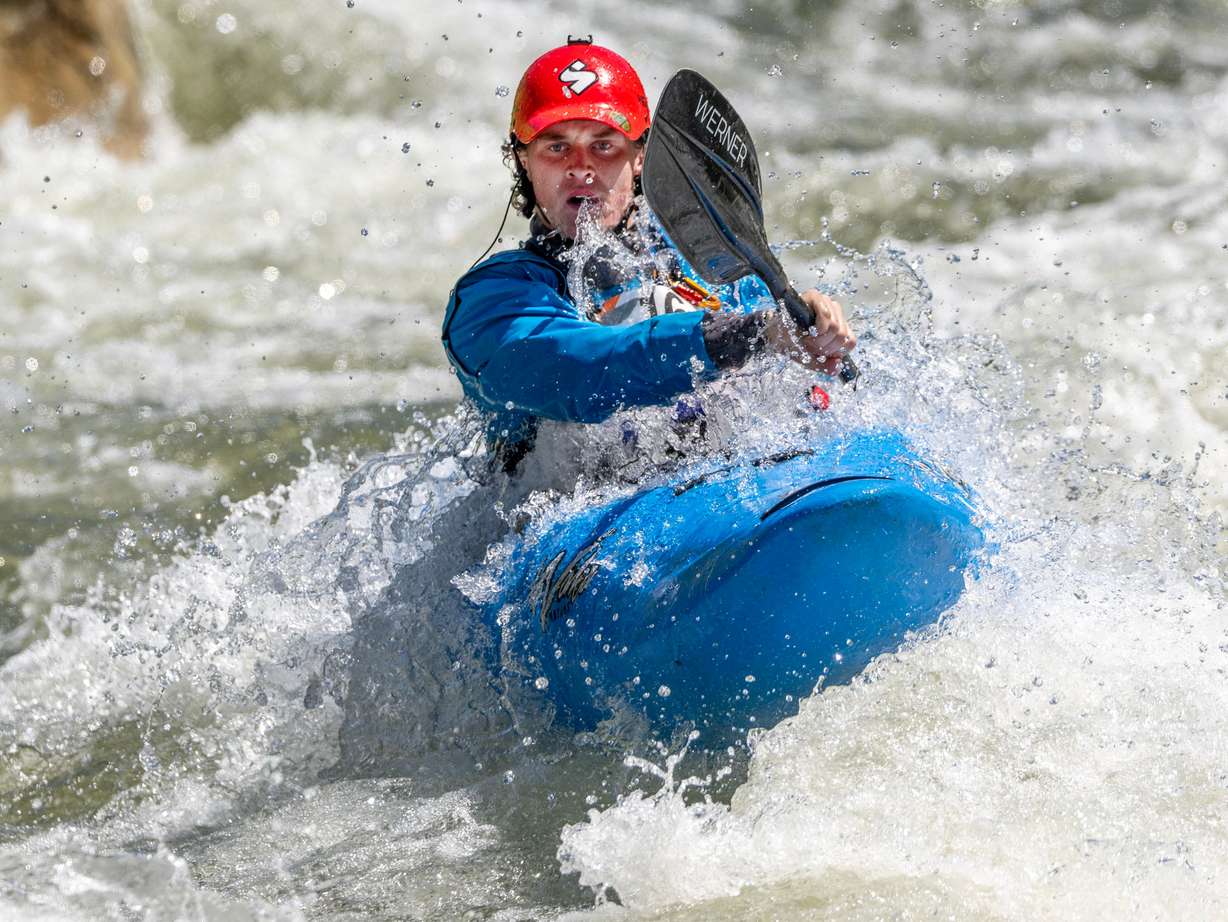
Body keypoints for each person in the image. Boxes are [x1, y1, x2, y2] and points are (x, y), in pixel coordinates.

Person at [441, 38, 856, 471]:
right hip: (573, 518)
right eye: (556, 146)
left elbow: (783, 369)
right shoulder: (491, 301)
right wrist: (748, 336)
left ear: (640, 157)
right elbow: (586, 372)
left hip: (726, 482)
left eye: (604, 145)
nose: (580, 167)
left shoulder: (706, 264)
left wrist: (811, 335)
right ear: (524, 161)